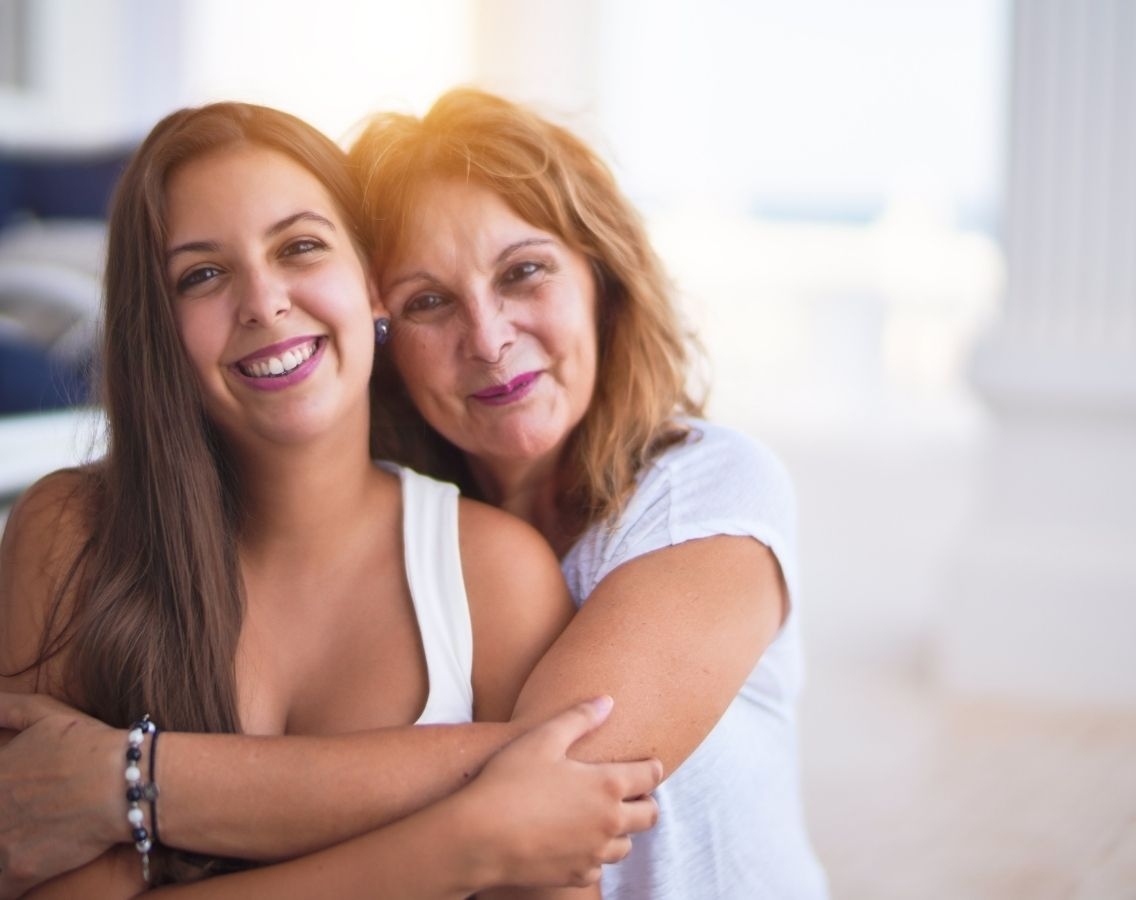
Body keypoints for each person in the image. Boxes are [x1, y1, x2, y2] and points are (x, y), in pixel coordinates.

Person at [0, 88, 829, 898]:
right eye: (429, 300)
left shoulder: (699, 493)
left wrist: (128, 783)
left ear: (603, 279)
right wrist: (464, 842)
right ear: (385, 317)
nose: (490, 338)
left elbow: (559, 782)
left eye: (525, 271)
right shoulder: (83, 534)